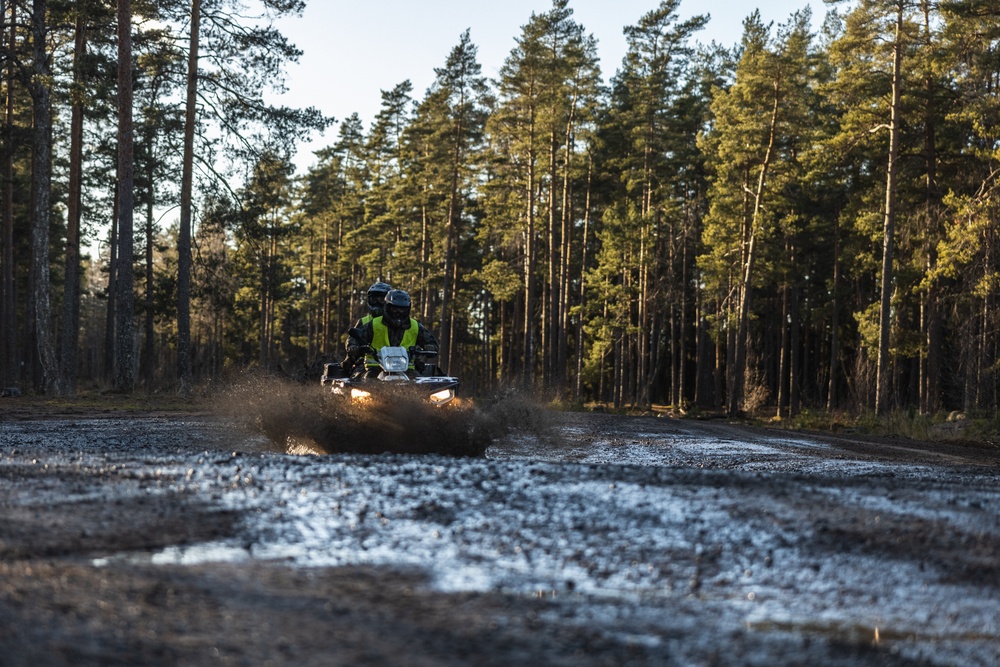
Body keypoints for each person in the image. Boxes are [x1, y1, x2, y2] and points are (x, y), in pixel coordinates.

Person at [347, 289, 438, 377]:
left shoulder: (415, 326)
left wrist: (430, 347)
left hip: (408, 370)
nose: (398, 313)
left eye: (402, 309)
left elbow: (431, 342)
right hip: (375, 368)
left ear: (407, 309)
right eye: (394, 309)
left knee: (421, 388)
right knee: (363, 385)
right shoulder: (374, 324)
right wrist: (353, 346)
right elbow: (355, 337)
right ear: (387, 308)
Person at [340, 281, 392, 376]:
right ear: (369, 300)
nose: (377, 302)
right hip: (368, 363)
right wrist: (352, 346)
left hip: (397, 364)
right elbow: (352, 338)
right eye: (374, 299)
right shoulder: (364, 321)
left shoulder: (397, 321)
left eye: (381, 299)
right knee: (356, 375)